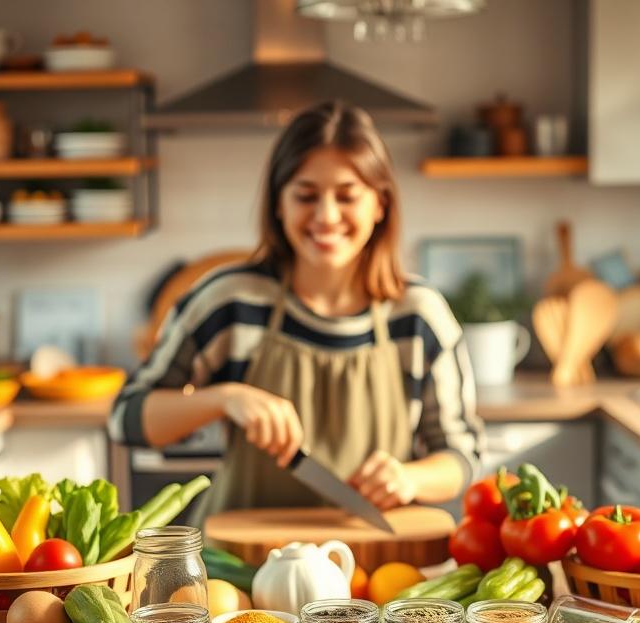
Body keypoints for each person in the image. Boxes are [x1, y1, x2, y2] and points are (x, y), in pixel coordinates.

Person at [109, 101, 484, 521]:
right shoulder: (228, 301)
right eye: (306, 196)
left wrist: (410, 478)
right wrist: (224, 399)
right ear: (278, 203)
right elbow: (126, 418)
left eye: (347, 197)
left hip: (374, 557)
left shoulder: (419, 316)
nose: (326, 216)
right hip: (238, 558)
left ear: (380, 204)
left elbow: (463, 455)